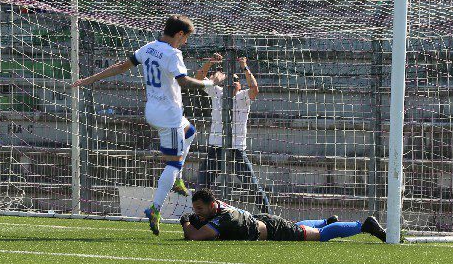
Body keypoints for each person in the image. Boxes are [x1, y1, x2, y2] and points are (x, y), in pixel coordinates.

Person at [70, 15, 214, 236]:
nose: (185, 43)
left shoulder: (149, 47)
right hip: (169, 115)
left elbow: (121, 66)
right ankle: (155, 209)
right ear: (179, 34)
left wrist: (87, 80)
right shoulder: (173, 53)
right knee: (172, 165)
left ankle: (177, 179)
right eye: (186, 38)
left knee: (190, 132)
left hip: (153, 110)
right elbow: (184, 82)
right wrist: (211, 82)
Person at [194, 55, 270, 212]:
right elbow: (198, 79)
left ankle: (268, 216)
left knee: (253, 187)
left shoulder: (243, 97)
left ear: (240, 85)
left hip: (236, 149)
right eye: (229, 80)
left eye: (235, 81)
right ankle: (201, 217)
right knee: (201, 187)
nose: (231, 84)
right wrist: (210, 62)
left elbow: (255, 88)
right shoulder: (217, 93)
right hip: (216, 148)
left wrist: (244, 66)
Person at [180, 188, 387, 242]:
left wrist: (186, 223)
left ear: (212, 205)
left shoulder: (222, 218)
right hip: (263, 221)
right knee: (297, 226)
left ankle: (364, 226)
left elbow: (195, 236)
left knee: (318, 236)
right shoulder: (217, 210)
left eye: (199, 209)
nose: (197, 213)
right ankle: (326, 221)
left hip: (271, 229)